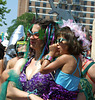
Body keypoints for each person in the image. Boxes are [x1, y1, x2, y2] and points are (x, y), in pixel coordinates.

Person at [0, 18, 58, 100]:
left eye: (36, 34)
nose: (31, 37)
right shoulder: (22, 63)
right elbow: (9, 91)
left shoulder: (55, 64)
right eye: (30, 34)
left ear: (47, 37)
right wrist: (30, 96)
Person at [40, 19, 90, 100]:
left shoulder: (65, 58)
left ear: (70, 42)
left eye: (60, 41)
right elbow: (42, 62)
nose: (57, 44)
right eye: (56, 41)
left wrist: (51, 53)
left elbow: (43, 69)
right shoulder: (77, 59)